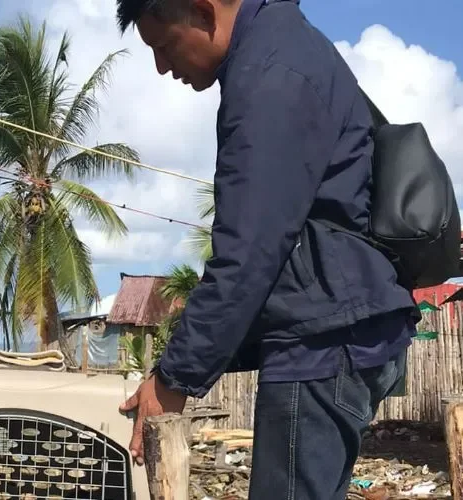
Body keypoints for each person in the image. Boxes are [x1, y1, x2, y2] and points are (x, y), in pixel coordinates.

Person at [114, 1, 417, 498]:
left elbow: (248, 250)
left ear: (202, 11)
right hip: (345, 326)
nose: (162, 67)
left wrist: (174, 377)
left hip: (323, 341)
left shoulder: (269, 76)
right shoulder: (286, 48)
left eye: (164, 46)